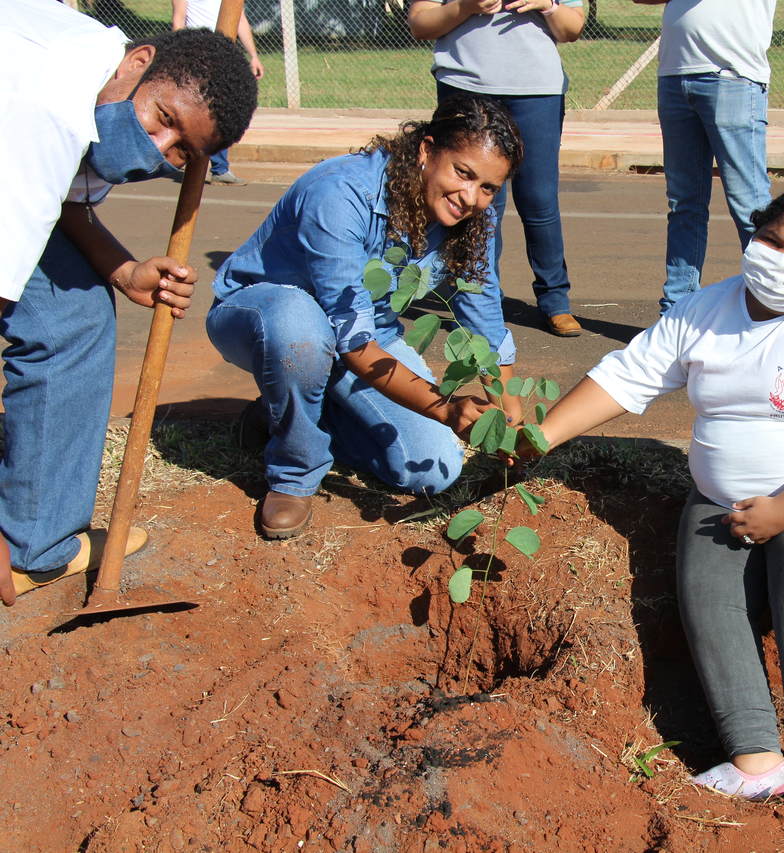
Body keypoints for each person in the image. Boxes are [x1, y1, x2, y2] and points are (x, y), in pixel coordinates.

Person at [526, 187, 784, 800]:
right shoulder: (703, 312)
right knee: (706, 594)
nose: (782, 260)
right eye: (772, 241)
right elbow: (627, 377)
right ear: (752, 237)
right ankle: (757, 759)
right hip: (724, 502)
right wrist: (539, 436)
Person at [0, 0, 258, 606]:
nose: (160, 148)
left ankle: (38, 548)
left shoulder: (106, 86)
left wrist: (121, 269)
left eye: (181, 152)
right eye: (163, 118)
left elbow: (60, 199)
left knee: (76, 317)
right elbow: (35, 176)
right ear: (139, 63)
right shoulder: (40, 108)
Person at [206, 95, 523, 539]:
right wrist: (447, 408)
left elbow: (484, 319)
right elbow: (353, 340)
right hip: (267, 317)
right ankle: (294, 471)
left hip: (368, 338)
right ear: (427, 151)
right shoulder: (341, 192)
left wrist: (511, 421)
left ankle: (293, 414)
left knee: (434, 471)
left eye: (488, 187)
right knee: (301, 328)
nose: (471, 196)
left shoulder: (474, 217)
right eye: (462, 173)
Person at [407, 0, 586, 337]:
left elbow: (572, 28)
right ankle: (479, 297)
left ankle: (555, 301)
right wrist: (465, 7)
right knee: (476, 202)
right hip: (465, 88)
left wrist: (547, 5)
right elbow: (420, 23)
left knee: (539, 200)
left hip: (537, 91)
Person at [633, 0, 777, 314]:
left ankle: (771, 307)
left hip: (734, 74)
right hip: (676, 71)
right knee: (684, 205)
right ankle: (677, 311)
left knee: (751, 208)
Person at [172, 0, 267, 186]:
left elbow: (240, 19)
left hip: (223, 54)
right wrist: (181, 55)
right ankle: (198, 165)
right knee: (199, 111)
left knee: (222, 110)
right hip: (196, 53)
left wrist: (254, 55)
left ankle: (219, 168)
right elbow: (178, 20)